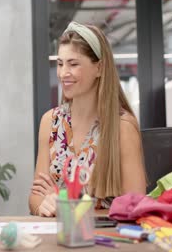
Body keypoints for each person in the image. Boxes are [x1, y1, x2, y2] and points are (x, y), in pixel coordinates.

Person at [28, 22, 146, 217]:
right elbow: (36, 196)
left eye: (73, 64)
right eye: (60, 63)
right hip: (58, 239)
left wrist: (68, 205)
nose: (63, 73)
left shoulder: (122, 128)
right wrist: (43, 205)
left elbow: (136, 206)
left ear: (99, 68)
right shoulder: (50, 122)